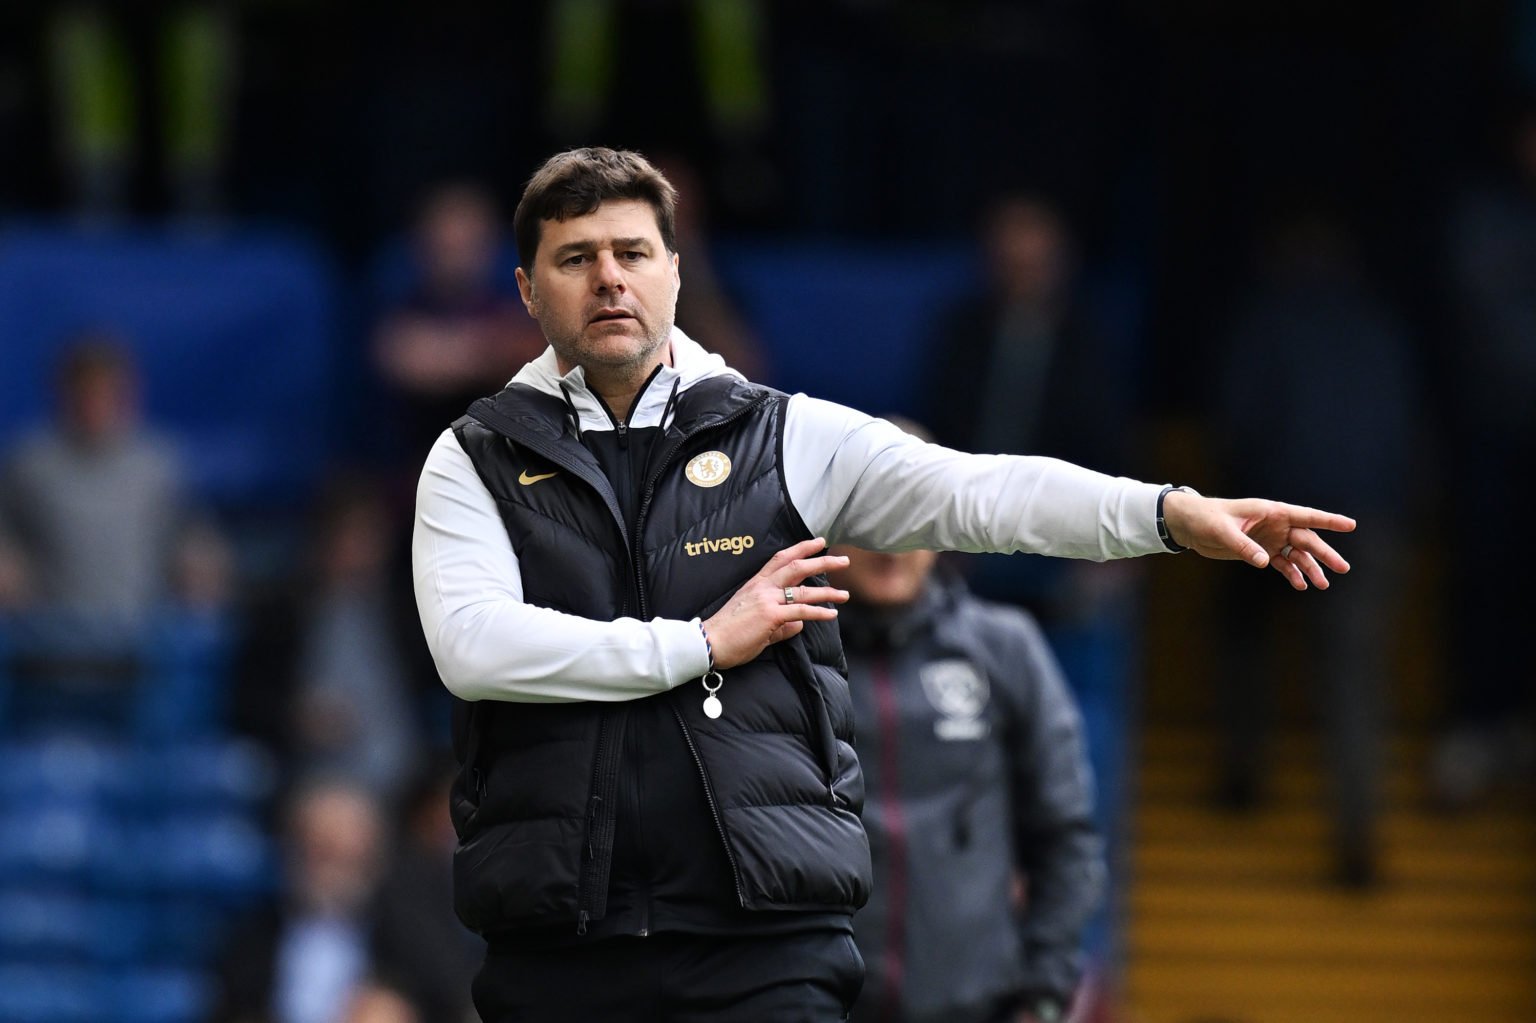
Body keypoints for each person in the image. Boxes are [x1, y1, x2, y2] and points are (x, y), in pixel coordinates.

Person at [410, 147, 1355, 1022]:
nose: (610, 276)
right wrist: (702, 644)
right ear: (529, 291)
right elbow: (474, 648)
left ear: (675, 272)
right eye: (576, 258)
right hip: (557, 944)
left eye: (632, 250)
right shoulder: (472, 459)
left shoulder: (785, 434)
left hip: (765, 942)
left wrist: (1169, 512)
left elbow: (980, 491)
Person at [829, 524, 1101, 1023]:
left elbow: (1065, 836)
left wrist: (1043, 998)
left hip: (979, 1005)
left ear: (939, 528)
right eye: (870, 525)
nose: (890, 548)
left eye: (908, 524)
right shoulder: (791, 658)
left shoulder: (1005, 647)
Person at [0, 336, 229, 624]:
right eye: (84, 393)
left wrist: (201, 565)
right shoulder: (28, 463)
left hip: (138, 641)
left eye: (107, 393)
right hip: (47, 641)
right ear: (62, 395)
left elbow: (193, 535)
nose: (95, 406)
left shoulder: (158, 464)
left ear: (128, 396)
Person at [207, 778, 386, 1023]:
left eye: (343, 855)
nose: (331, 871)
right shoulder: (251, 938)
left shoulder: (405, 935)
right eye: (319, 852)